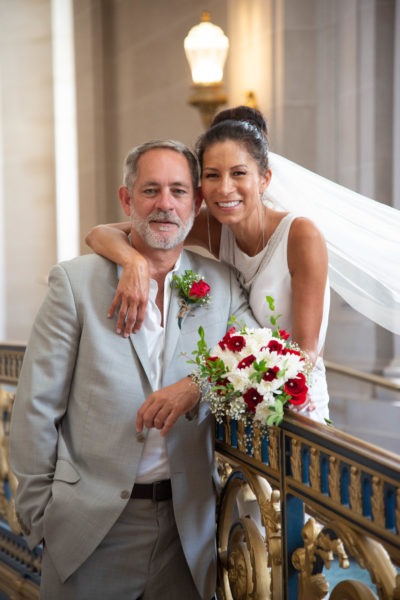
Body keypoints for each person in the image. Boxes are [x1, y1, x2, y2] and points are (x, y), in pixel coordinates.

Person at [9, 139, 259, 600]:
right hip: (89, 528)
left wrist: (196, 384)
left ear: (196, 203)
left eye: (179, 191)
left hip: (188, 532)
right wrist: (41, 516)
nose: (165, 204)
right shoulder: (75, 283)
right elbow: (36, 406)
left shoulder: (220, 285)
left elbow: (257, 354)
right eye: (150, 190)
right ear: (127, 200)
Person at [86, 108, 330, 423]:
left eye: (238, 173)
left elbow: (306, 355)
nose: (224, 188)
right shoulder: (215, 227)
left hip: (297, 404)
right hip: (242, 402)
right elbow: (100, 234)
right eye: (213, 175)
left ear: (264, 179)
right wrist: (133, 262)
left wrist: (203, 384)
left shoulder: (301, 235)